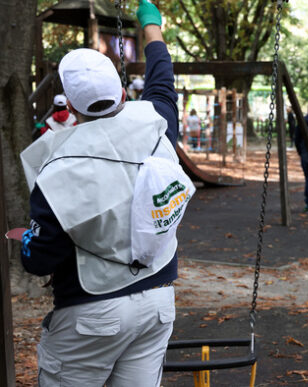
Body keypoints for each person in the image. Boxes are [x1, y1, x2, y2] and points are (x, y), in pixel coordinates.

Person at [18, 2, 180, 385]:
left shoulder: (57, 166)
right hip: (157, 298)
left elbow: (39, 259)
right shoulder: (157, 121)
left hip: (92, 309)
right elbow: (162, 77)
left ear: (70, 105)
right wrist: (151, 28)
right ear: (122, 92)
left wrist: (27, 240)